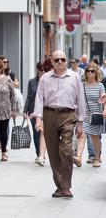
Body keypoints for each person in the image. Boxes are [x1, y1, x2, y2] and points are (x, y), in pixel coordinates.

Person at [33, 50, 87, 199]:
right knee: (53, 153)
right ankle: (60, 187)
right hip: (49, 114)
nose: (60, 63)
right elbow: (39, 99)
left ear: (66, 60)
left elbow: (80, 99)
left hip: (68, 115)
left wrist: (81, 122)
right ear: (52, 62)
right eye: (56, 60)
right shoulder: (45, 78)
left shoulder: (75, 77)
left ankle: (67, 186)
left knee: (66, 150)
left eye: (63, 59)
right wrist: (38, 118)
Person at [73, 63, 106, 168]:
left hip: (96, 115)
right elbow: (77, 99)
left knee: (95, 137)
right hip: (84, 114)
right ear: (85, 72)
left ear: (96, 73)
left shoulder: (99, 85)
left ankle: (96, 158)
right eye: (88, 71)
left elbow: (103, 97)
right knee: (81, 135)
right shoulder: (82, 85)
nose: (90, 73)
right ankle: (78, 157)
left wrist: (103, 102)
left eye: (92, 71)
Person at [23, 61, 47, 166]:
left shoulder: (48, 81)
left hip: (46, 111)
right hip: (33, 111)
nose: (43, 72)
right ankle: (39, 154)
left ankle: (42, 154)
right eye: (41, 69)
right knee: (36, 134)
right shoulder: (32, 82)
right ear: (37, 70)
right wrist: (25, 111)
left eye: (45, 70)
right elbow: (29, 96)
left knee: (44, 133)